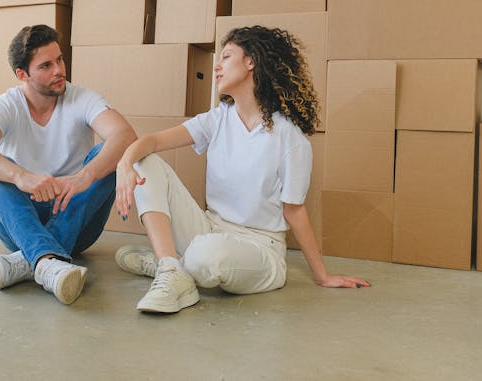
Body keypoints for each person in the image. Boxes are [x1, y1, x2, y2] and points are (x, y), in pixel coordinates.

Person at [114, 26, 370, 314]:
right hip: (209, 228)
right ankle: (171, 267)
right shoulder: (218, 119)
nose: (216, 66)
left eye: (226, 56)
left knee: (203, 255)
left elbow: (294, 211)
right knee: (144, 160)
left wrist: (322, 275)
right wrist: (125, 164)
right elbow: (154, 141)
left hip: (260, 248)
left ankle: (175, 262)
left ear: (251, 62)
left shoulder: (290, 138)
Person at [0, 25, 136, 305]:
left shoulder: (82, 98)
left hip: (77, 219)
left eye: (60, 60)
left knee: (112, 155)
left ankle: (31, 261)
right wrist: (21, 177)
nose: (59, 70)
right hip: (20, 222)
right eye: (46, 65)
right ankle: (46, 262)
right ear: (22, 75)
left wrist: (85, 176)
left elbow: (125, 136)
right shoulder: (7, 105)